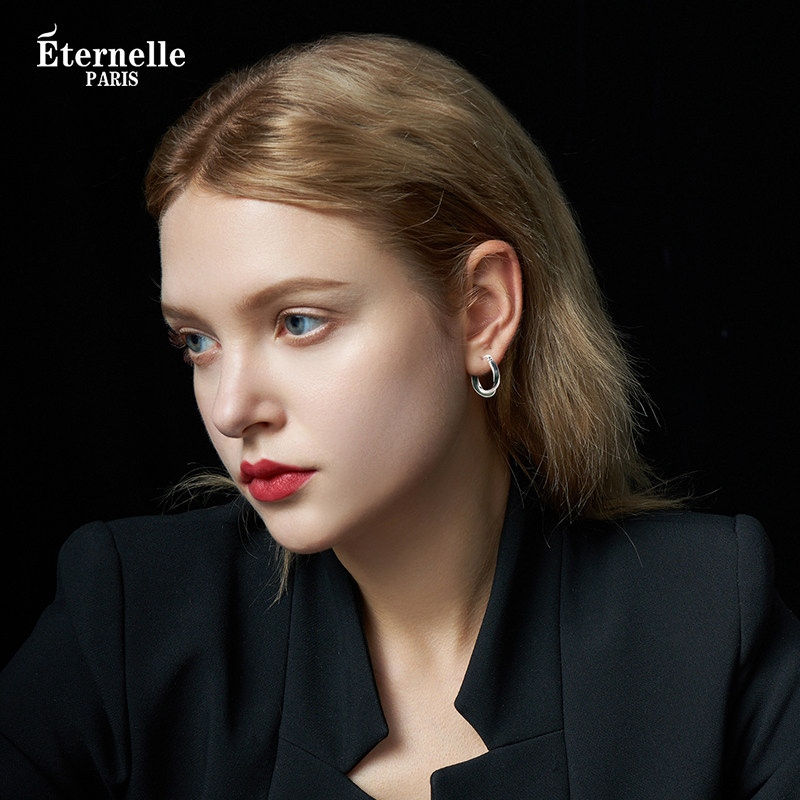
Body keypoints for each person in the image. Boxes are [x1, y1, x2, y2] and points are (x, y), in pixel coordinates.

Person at [2, 33, 798, 800]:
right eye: (197, 342)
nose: (232, 407)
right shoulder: (126, 622)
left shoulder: (708, 620)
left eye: (299, 322)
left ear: (482, 311)